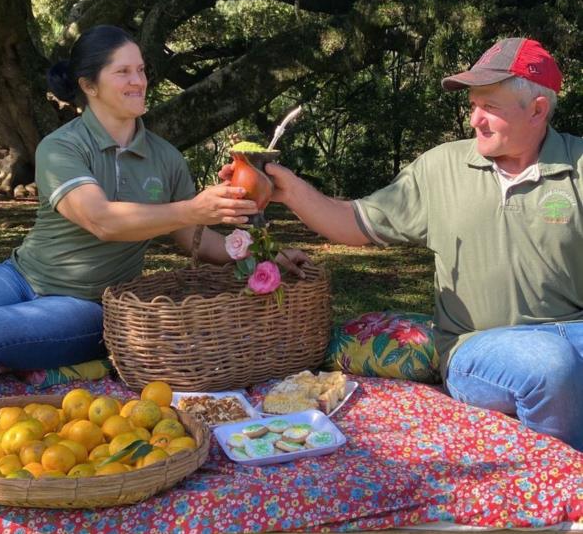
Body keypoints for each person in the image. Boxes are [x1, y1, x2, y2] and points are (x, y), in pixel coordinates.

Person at [222, 37, 583, 451]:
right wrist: (289, 189)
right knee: (551, 367)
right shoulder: (444, 167)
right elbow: (355, 223)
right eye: (473, 106)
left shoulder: (577, 166)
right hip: (481, 347)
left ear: (537, 110)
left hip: (574, 332)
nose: (474, 120)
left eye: (490, 108)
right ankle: (561, 489)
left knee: (562, 357)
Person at [0, 25, 306, 404]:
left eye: (141, 70)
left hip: (88, 305)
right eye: (123, 72)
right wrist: (192, 208)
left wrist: (266, 256)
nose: (138, 81)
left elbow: (202, 241)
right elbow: (100, 220)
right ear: (89, 86)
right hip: (19, 277)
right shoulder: (61, 147)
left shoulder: (166, 158)